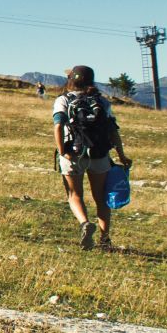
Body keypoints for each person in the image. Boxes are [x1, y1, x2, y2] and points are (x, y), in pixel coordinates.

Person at [53, 64, 132, 251]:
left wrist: (62, 150)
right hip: (99, 154)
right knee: (101, 198)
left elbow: (58, 125)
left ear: (71, 79)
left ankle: (84, 223)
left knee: (74, 195)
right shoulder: (102, 102)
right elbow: (113, 131)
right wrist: (121, 155)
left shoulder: (63, 100)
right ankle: (105, 240)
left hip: (73, 153)